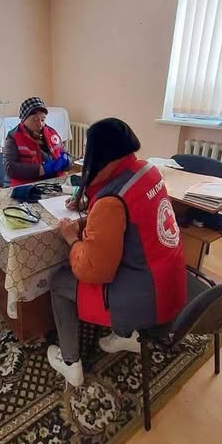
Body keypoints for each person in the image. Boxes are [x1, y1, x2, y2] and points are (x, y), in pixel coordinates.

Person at [47, 118, 188, 386]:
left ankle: (70, 363)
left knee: (60, 281)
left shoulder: (111, 202)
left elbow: (93, 271)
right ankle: (124, 335)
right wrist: (91, 208)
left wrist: (72, 238)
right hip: (171, 281)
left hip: (148, 298)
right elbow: (131, 213)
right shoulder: (148, 170)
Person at [3, 96, 73, 186]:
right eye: (35, 120)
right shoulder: (13, 137)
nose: (40, 124)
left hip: (55, 182)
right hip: (28, 186)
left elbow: (68, 156)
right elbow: (10, 168)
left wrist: (67, 161)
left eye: (43, 119)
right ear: (24, 119)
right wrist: (41, 169)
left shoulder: (52, 133)